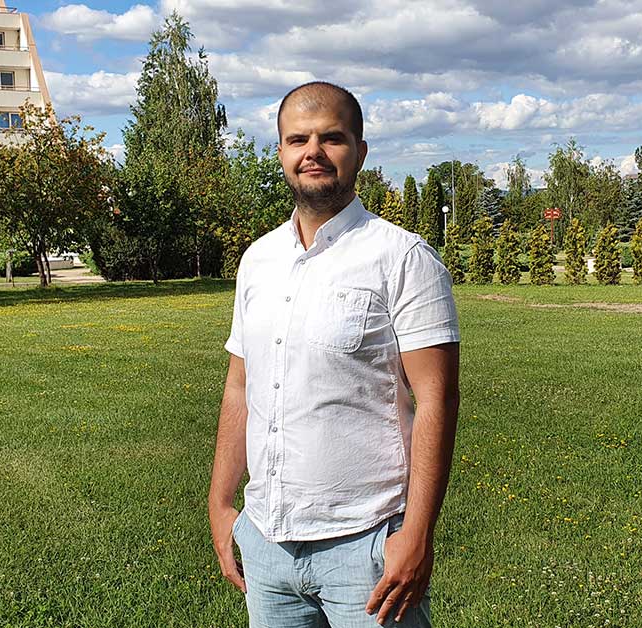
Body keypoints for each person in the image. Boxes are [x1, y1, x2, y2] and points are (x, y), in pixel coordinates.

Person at [208, 81, 461, 627]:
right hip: (267, 542)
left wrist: (416, 534)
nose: (313, 152)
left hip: (367, 549)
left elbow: (437, 399)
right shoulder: (258, 261)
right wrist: (221, 505)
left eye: (332, 138)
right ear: (281, 152)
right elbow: (239, 387)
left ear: (360, 152)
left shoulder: (403, 259)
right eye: (298, 139)